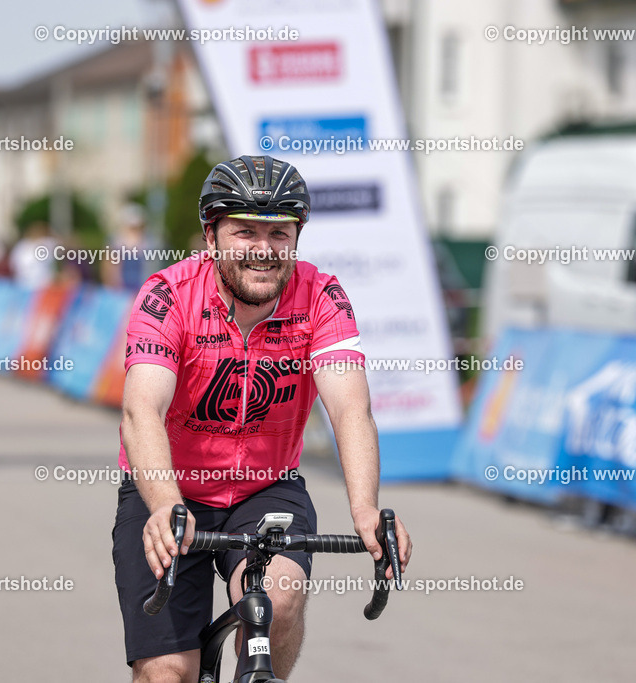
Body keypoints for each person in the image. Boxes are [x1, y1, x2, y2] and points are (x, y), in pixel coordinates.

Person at [111, 155, 412, 682]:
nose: (264, 249)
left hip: (266, 488)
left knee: (280, 601)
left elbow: (350, 409)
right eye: (245, 231)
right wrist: (163, 505)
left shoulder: (320, 296)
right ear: (211, 236)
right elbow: (142, 409)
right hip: (168, 485)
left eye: (279, 232)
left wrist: (365, 509)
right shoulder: (168, 296)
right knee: (166, 671)